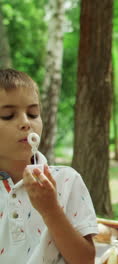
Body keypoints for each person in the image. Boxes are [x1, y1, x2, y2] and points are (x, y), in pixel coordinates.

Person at [0, 69, 97, 264]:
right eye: (8, 115)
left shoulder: (67, 180)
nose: (26, 123)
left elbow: (85, 260)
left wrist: (51, 209)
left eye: (33, 113)